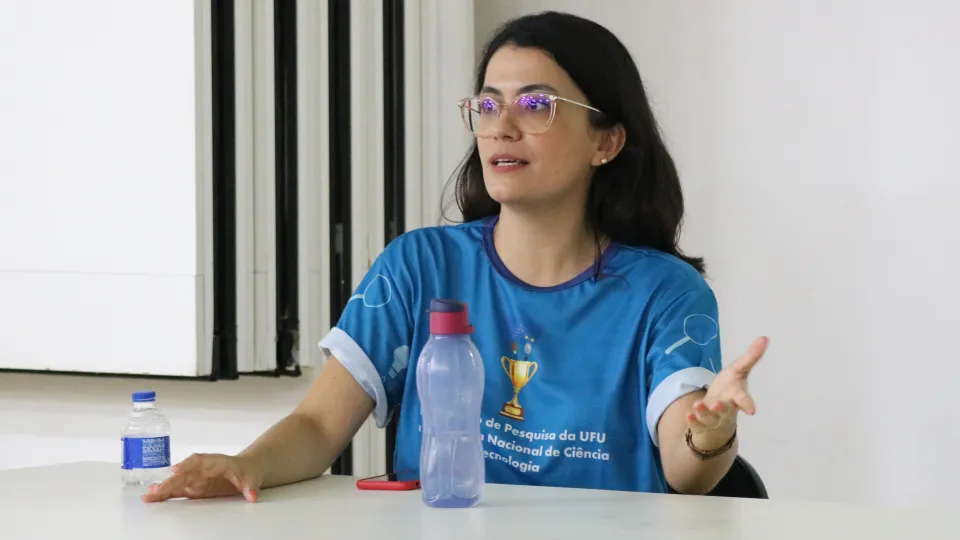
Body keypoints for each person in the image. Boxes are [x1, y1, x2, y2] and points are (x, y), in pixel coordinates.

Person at [142, 10, 768, 504]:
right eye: (488, 103)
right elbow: (318, 428)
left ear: (605, 141)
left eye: (536, 104)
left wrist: (709, 433)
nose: (500, 126)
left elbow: (686, 475)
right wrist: (244, 465)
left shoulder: (664, 293)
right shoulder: (419, 267)